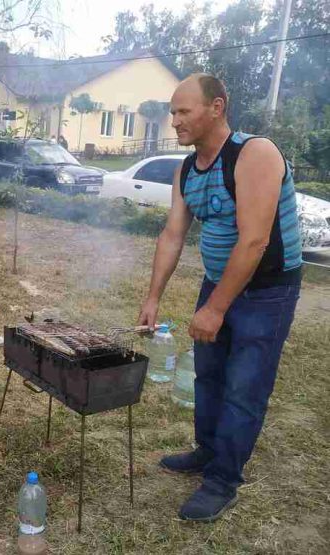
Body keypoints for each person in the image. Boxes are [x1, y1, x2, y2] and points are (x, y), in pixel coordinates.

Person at [137, 74, 302, 522]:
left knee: (245, 385)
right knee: (207, 374)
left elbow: (254, 243)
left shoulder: (255, 155)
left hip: (268, 290)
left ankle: (224, 480)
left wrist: (215, 309)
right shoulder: (187, 169)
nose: (175, 121)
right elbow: (173, 234)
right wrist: (153, 297)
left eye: (183, 111)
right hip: (218, 281)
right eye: (172, 112)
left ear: (217, 107)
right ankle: (207, 452)